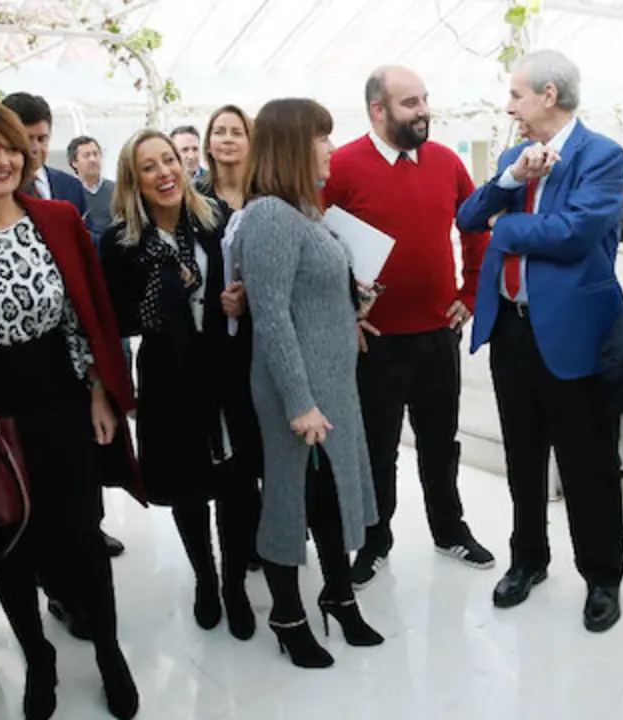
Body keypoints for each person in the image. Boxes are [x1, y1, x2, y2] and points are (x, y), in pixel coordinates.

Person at [0, 99, 141, 720]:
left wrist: (100, 389)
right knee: (8, 542)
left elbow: (85, 310)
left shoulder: (57, 216)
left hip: (63, 399)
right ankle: (38, 660)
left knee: (83, 538)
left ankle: (110, 654)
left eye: (12, 147)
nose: (3, 160)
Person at [456, 49, 623, 632]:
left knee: (588, 462)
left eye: (516, 95)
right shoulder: (514, 155)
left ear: (549, 95)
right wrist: (509, 181)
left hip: (575, 334)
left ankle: (602, 575)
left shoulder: (601, 155)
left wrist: (508, 227)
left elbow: (576, 233)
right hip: (513, 331)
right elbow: (467, 217)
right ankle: (528, 559)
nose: (510, 107)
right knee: (523, 458)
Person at [323, 65, 493, 589]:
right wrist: (344, 312)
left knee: (441, 442)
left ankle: (449, 530)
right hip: (376, 342)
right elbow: (320, 247)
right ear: (378, 110)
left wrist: (470, 293)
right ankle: (375, 539)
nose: (423, 111)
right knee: (377, 447)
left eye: (424, 100)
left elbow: (474, 229)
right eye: (410, 103)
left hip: (439, 333)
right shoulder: (342, 166)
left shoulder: (446, 162)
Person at [233, 98, 384, 668]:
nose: (330, 148)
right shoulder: (271, 214)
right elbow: (270, 316)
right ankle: (287, 614)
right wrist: (299, 402)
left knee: (329, 495)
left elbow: (309, 298)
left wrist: (354, 306)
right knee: (292, 499)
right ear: (295, 145)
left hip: (331, 383)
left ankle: (338, 595)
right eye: (321, 138)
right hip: (298, 391)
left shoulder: (305, 212)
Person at [99, 130, 260, 640]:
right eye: (150, 166)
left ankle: (234, 584)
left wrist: (242, 301)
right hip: (169, 375)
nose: (165, 172)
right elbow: (115, 317)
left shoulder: (217, 218)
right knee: (189, 488)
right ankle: (206, 580)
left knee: (236, 485)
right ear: (134, 179)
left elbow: (247, 283)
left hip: (225, 369)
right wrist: (158, 294)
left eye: (169, 159)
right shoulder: (121, 241)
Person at [3, 94, 126, 640]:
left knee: (82, 480)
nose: (33, 148)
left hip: (75, 356)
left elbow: (89, 250)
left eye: (40, 137)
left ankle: (89, 539)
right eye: (23, 137)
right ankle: (52, 586)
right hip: (15, 383)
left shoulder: (66, 188)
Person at [197, 104, 265, 575]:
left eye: (235, 131)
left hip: (266, 335)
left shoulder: (268, 196)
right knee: (232, 448)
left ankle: (271, 532)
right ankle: (236, 549)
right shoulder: (193, 199)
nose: (226, 139)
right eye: (218, 132)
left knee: (268, 443)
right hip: (217, 342)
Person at [1, 92, 101, 243]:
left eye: (42, 139)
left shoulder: (70, 187)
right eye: (27, 139)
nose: (35, 148)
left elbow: (90, 242)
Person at [69, 135, 115, 235]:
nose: (92, 159)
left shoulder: (117, 190)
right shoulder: (67, 193)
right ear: (74, 163)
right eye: (87, 155)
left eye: (95, 154)